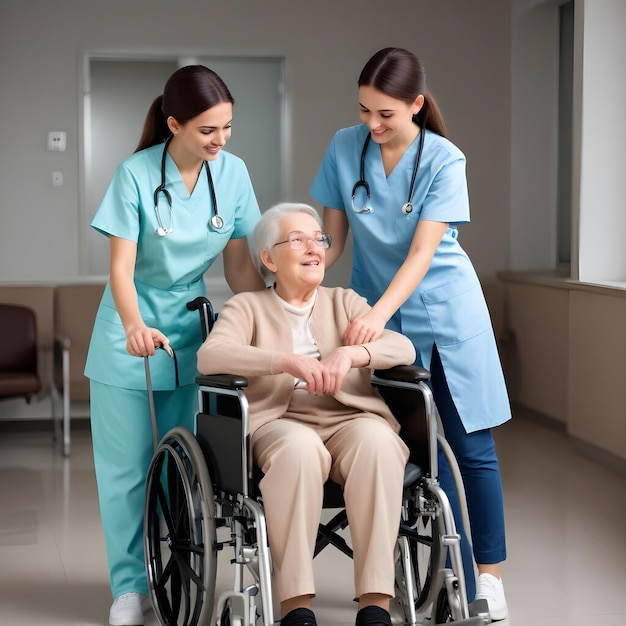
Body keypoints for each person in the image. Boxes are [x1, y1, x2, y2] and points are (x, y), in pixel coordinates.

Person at [310, 47, 511, 621]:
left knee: (471, 449)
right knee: (420, 452)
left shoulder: (445, 160)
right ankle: (457, 573)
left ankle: (490, 580)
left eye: (386, 115)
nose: (372, 125)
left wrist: (376, 314)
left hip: (446, 316)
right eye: (364, 111)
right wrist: (303, 273)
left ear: (416, 105)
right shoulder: (344, 147)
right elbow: (334, 240)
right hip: (381, 323)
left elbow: (422, 254)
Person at [84, 65, 265, 626]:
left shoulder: (232, 174)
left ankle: (177, 572)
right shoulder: (134, 174)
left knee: (185, 470)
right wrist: (136, 325)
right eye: (208, 130)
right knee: (128, 471)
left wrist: (274, 318)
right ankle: (129, 589)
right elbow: (120, 268)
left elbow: (239, 267)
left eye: (228, 127)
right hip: (129, 331)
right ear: (174, 124)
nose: (221, 140)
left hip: (190, 332)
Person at [197, 202, 416, 626]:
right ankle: (296, 607)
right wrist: (283, 362)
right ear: (269, 259)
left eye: (320, 238)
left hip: (350, 417)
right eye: (298, 239)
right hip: (280, 423)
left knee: (379, 444)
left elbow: (402, 348)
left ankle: (375, 605)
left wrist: (355, 353)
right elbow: (211, 356)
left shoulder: (345, 302)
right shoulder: (247, 307)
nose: (314, 247)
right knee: (298, 451)